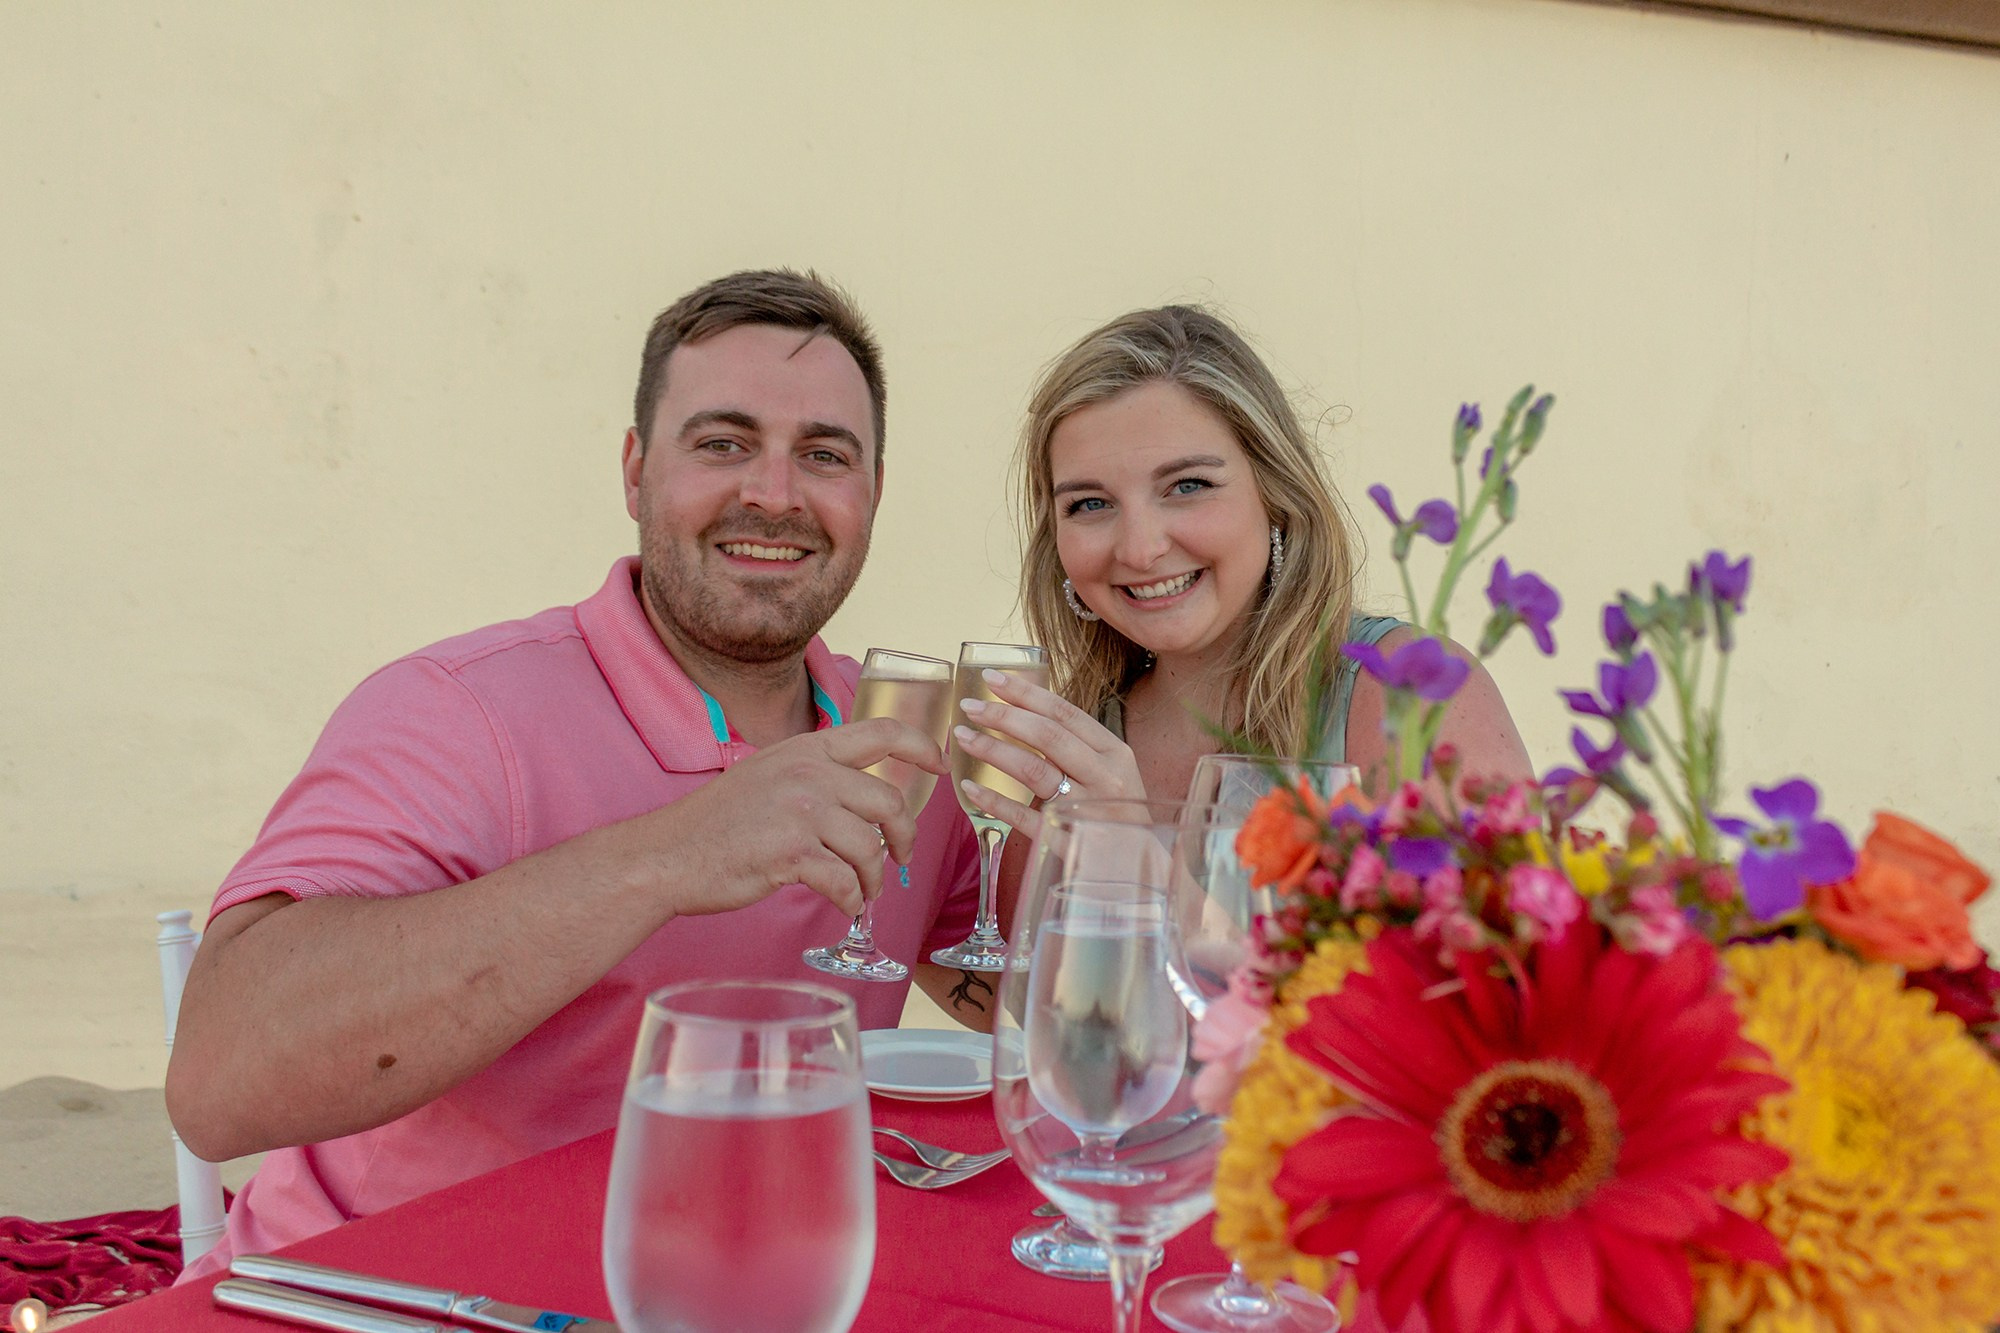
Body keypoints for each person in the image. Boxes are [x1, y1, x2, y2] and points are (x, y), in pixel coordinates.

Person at [164, 269, 983, 1280]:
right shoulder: (457, 711)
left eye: (824, 454)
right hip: (385, 1303)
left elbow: (1036, 1008)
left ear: (872, 492)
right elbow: (218, 1080)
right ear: (635, 471)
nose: (774, 493)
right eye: (722, 442)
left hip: (740, 1291)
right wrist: (669, 854)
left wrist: (1115, 824)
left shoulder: (900, 744)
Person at [955, 304, 1530, 838]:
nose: (1139, 549)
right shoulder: (1071, 746)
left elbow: (1492, 943)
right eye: (1090, 504)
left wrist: (1140, 870)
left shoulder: (1409, 691)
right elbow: (1022, 945)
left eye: (1187, 486)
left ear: (1276, 495)